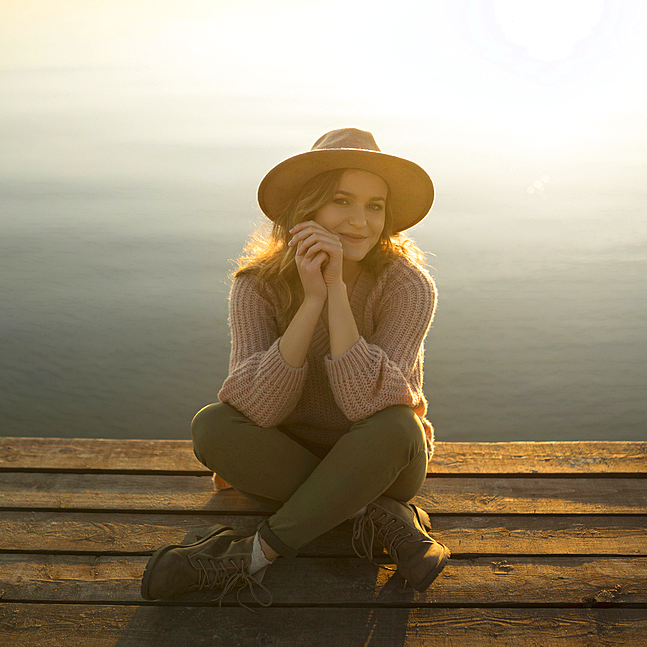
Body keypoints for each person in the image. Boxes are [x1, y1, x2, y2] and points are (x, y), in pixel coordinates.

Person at [140, 128, 448, 606]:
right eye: (341, 201)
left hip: (384, 458)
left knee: (398, 424)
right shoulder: (255, 286)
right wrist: (311, 304)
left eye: (374, 206)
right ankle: (378, 514)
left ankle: (251, 556)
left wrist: (338, 295)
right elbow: (256, 408)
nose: (359, 221)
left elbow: (369, 404)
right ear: (307, 209)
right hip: (289, 453)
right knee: (213, 426)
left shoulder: (408, 286)